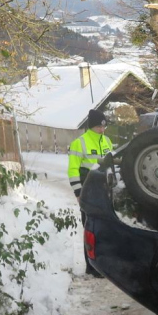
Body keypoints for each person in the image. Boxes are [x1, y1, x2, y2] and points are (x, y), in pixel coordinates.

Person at [69, 108, 114, 277]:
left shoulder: (107, 141)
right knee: (90, 229)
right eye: (98, 127)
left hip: (106, 193)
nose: (102, 130)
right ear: (91, 126)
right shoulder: (79, 143)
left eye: (104, 127)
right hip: (88, 193)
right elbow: (72, 170)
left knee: (107, 229)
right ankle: (92, 266)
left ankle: (105, 265)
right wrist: (78, 192)